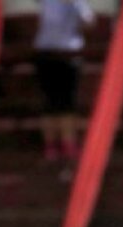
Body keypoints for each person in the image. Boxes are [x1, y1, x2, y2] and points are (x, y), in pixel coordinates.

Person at [33, 0, 94, 161]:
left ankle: (68, 142)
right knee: (49, 102)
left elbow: (89, 21)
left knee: (67, 102)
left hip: (69, 55)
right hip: (46, 53)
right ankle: (50, 143)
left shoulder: (78, 3)